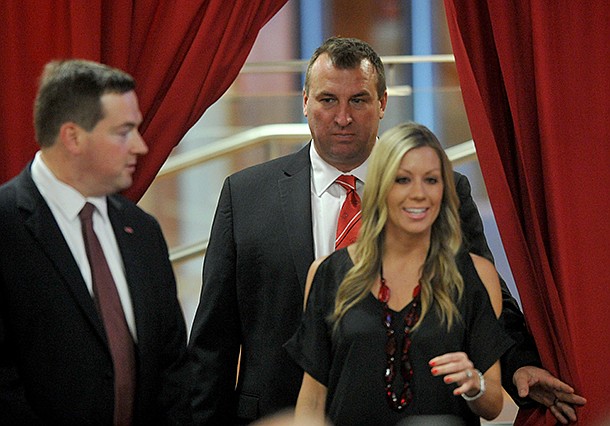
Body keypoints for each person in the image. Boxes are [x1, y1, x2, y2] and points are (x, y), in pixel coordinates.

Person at [188, 36, 585, 425]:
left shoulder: (441, 189)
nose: (343, 117)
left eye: (358, 100)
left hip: (427, 409)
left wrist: (519, 364)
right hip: (282, 413)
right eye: (328, 100)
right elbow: (213, 339)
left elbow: (481, 291)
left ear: (381, 104)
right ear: (305, 101)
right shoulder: (245, 195)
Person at [0, 59, 192, 424]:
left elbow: (172, 366)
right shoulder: (6, 226)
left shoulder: (142, 231)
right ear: (72, 136)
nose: (140, 146)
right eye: (123, 132)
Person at [285, 122, 513, 425]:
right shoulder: (328, 273)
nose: (419, 194)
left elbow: (493, 404)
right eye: (403, 180)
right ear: (380, 186)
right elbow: (312, 400)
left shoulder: (476, 275)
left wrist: (474, 384)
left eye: (431, 180)